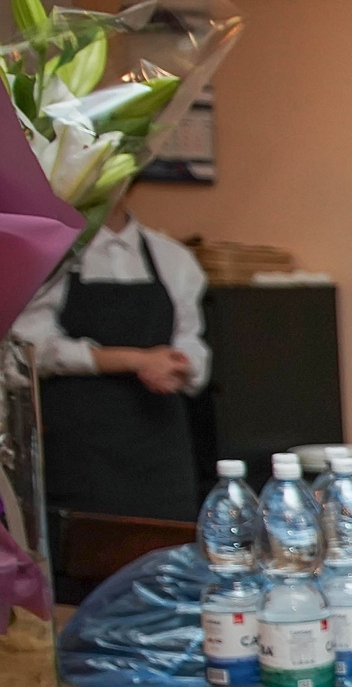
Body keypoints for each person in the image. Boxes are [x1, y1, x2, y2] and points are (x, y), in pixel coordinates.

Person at [12, 204, 210, 544]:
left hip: (161, 448)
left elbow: (193, 345)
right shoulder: (55, 255)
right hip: (80, 451)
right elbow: (34, 348)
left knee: (165, 562)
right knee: (84, 556)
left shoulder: (171, 256)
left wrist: (179, 366)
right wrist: (135, 360)